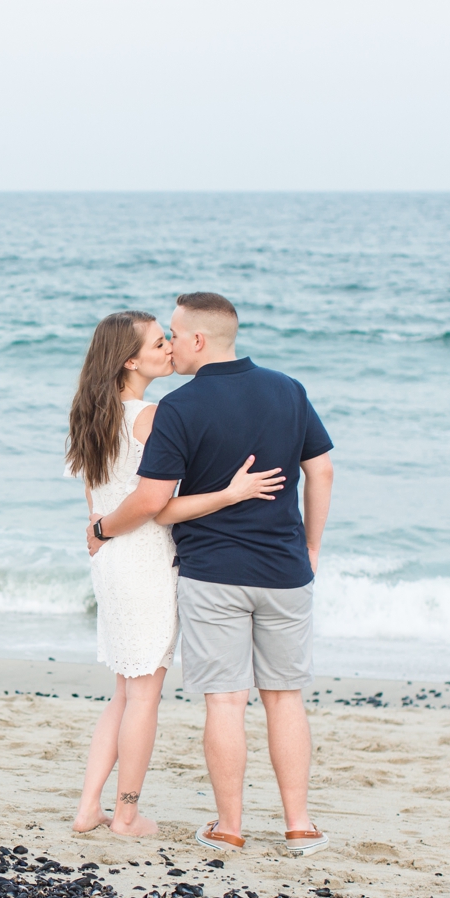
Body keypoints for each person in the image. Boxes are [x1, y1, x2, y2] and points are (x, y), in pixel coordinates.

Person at [86, 293, 334, 855]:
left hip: (212, 572)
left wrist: (102, 529)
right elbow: (321, 470)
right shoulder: (288, 389)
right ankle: (299, 826)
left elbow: (154, 503)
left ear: (198, 340)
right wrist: (312, 545)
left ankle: (230, 827)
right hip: (285, 569)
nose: (170, 344)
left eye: (174, 333)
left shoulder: (179, 408)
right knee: (285, 697)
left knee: (224, 701)